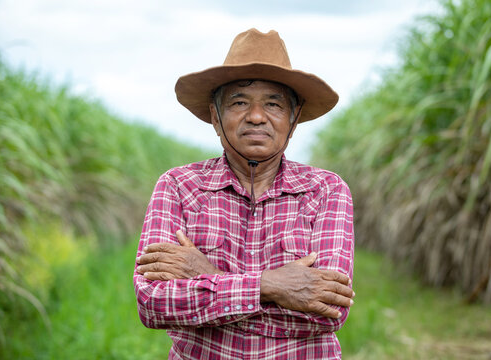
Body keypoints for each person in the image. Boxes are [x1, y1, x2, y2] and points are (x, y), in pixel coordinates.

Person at [134, 28, 355, 360]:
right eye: (239, 102)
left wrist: (206, 276)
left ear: (293, 120)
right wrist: (273, 286)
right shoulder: (179, 186)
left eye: (273, 103)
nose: (256, 116)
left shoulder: (326, 191)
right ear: (215, 115)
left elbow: (327, 313)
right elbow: (153, 304)